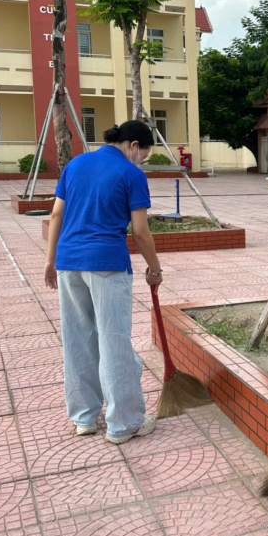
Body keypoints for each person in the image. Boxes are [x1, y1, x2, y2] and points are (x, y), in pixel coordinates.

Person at [44, 120, 164, 444]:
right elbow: (140, 231)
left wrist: (50, 260)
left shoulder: (75, 164)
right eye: (144, 155)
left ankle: (84, 418)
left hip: (68, 262)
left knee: (77, 339)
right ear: (134, 146)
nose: (141, 161)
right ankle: (123, 424)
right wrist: (155, 269)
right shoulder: (131, 174)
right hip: (107, 264)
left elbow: (56, 215)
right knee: (114, 343)